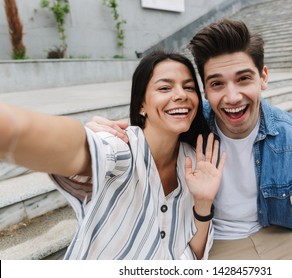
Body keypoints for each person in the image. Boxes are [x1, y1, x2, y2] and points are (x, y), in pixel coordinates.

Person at [85, 19, 292, 259]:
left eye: (244, 79)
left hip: (278, 238)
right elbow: (143, 129)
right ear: (205, 89)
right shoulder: (189, 120)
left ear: (263, 77)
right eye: (217, 84)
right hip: (209, 245)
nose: (232, 97)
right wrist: (97, 134)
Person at [0, 50, 226, 260]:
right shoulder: (121, 146)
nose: (181, 95)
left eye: (189, 87)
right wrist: (11, 130)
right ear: (141, 105)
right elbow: (74, 149)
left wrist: (204, 203)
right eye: (165, 88)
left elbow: (192, 255)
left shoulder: (197, 162)